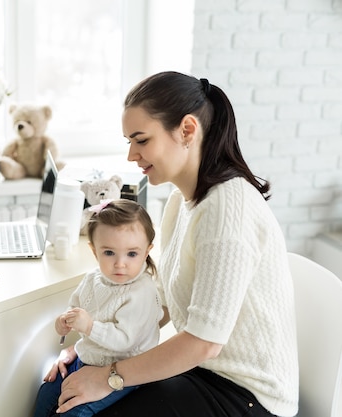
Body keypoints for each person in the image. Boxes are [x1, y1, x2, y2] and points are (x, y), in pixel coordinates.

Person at [48, 71, 299, 417]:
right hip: (204, 373)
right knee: (55, 395)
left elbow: (204, 341)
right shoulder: (181, 202)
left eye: (142, 140)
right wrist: (97, 345)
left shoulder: (227, 208)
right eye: (129, 142)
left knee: (81, 410)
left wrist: (109, 376)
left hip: (246, 397)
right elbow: (159, 303)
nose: (132, 156)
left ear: (187, 130)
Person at [33, 199, 164, 417]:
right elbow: (76, 306)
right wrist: (64, 321)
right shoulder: (92, 279)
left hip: (125, 371)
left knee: (73, 413)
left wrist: (90, 326)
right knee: (47, 393)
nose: (120, 263)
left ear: (147, 250)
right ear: (95, 251)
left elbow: (124, 341)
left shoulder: (142, 292)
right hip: (87, 359)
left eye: (132, 254)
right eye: (109, 253)